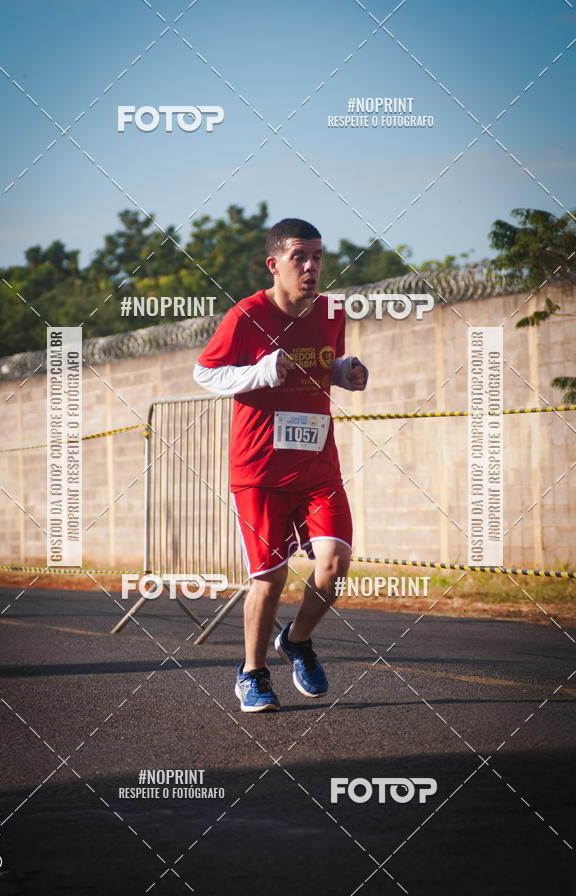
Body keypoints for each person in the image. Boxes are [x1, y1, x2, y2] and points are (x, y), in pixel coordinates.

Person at [193, 218, 368, 711]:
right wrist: (261, 371)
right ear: (275, 265)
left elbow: (320, 362)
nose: (311, 267)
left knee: (334, 566)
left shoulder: (333, 310)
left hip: (316, 463)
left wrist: (343, 372)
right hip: (260, 470)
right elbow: (204, 372)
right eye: (300, 258)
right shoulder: (246, 316)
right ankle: (252, 673)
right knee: (269, 581)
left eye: (317, 257)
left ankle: (296, 640)